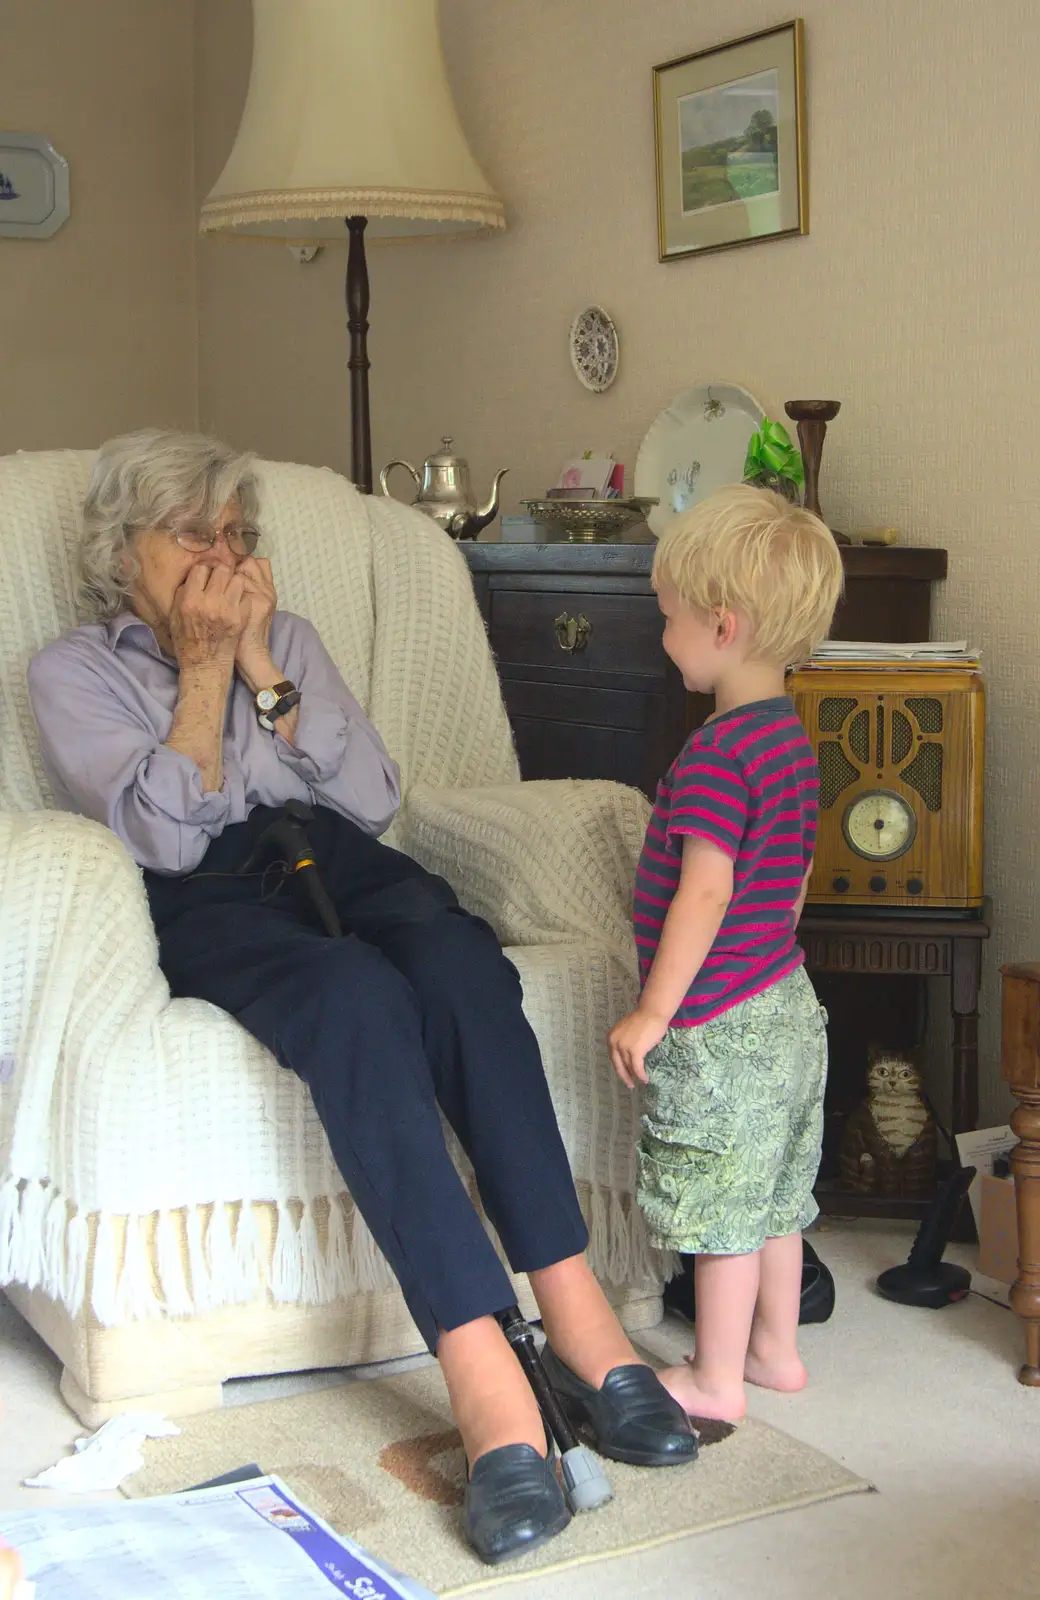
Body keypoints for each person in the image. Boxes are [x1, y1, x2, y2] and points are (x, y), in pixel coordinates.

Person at [27, 430, 695, 1566]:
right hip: (210, 895)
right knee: (353, 995)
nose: (222, 559)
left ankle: (580, 1320)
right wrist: (197, 668)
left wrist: (257, 668)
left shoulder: (286, 640)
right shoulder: (73, 671)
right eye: (193, 536)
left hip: (336, 855)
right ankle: (487, 1383)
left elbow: (374, 793)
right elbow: (158, 834)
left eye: (237, 537)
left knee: (455, 962)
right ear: (118, 551)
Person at [608, 484, 843, 1424]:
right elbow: (788, 877)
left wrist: (656, 1011)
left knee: (716, 1200)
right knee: (778, 1191)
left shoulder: (715, 757)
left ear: (723, 626)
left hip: (719, 1016)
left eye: (668, 619)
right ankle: (775, 1352)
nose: (664, 637)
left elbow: (704, 892)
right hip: (787, 997)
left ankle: (712, 1378)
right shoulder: (789, 740)